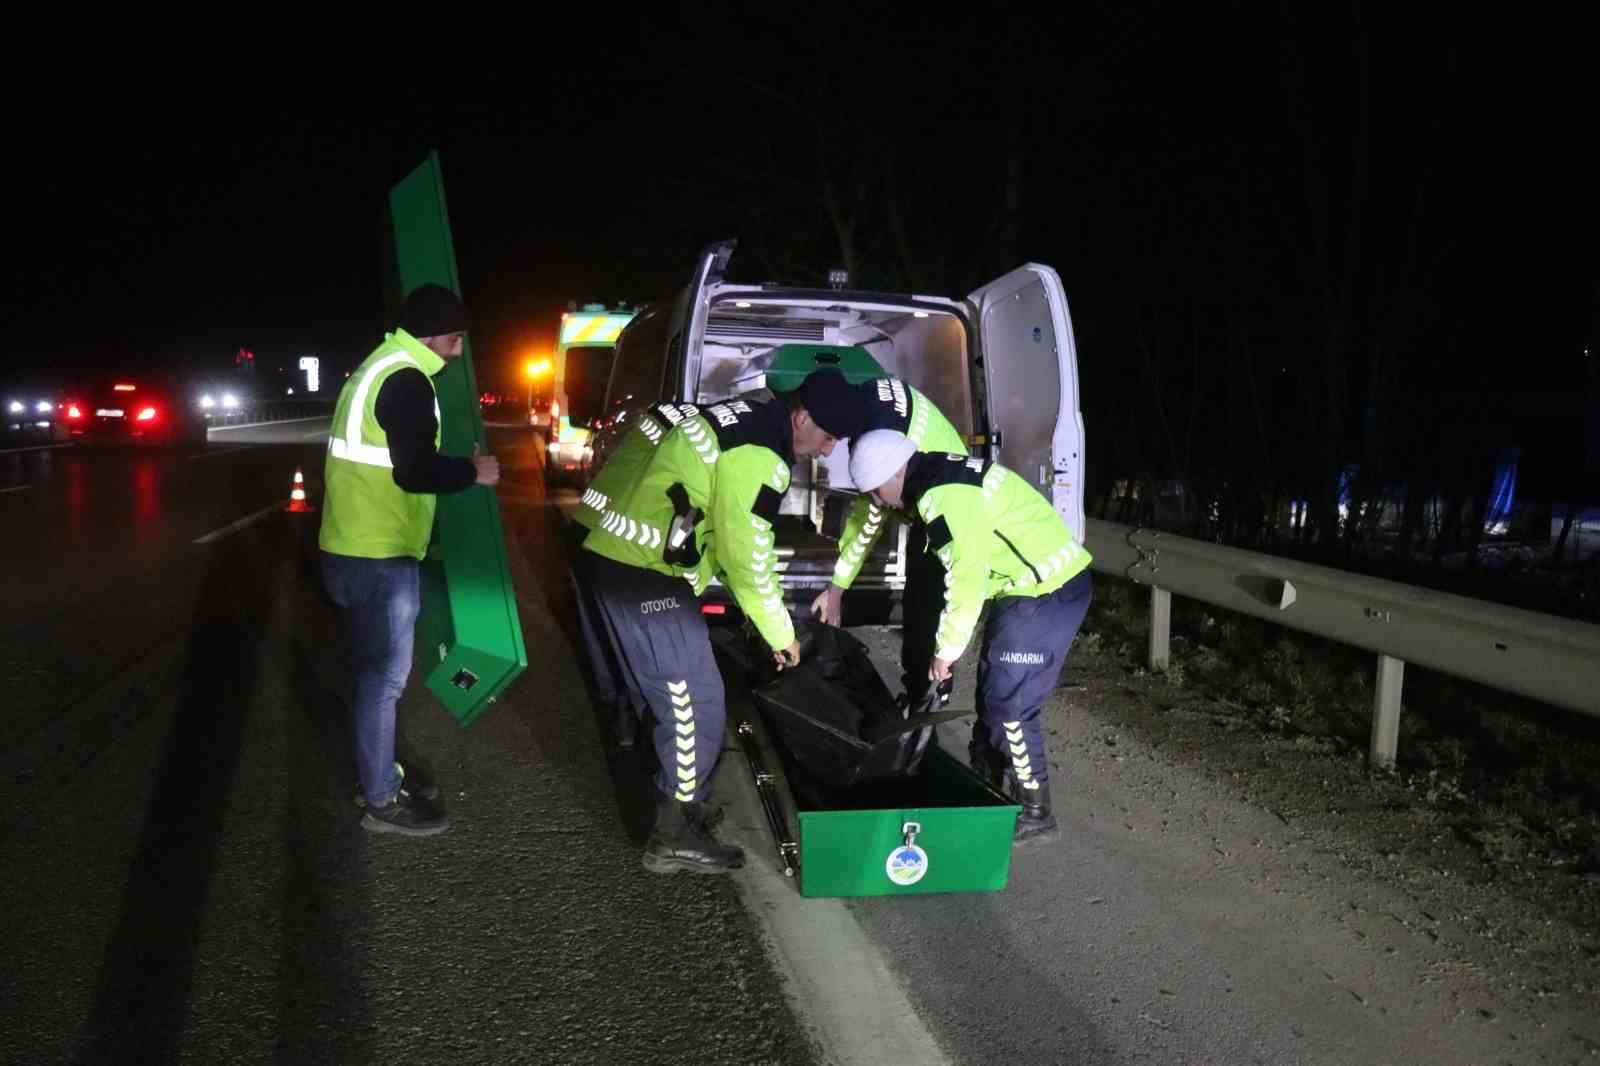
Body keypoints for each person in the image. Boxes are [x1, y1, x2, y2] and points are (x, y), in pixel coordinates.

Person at [573, 377, 852, 873]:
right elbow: (745, 553)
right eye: (828, 437)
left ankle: (677, 803)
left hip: (609, 553)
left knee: (656, 696)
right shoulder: (762, 454)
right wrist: (780, 633)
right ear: (801, 416)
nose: (829, 451)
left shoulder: (736, 416)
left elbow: (717, 527)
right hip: (643, 575)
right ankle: (673, 835)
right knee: (695, 703)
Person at [845, 429, 1093, 844]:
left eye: (874, 491)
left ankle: (1036, 809)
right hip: (1022, 588)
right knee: (991, 695)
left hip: (1047, 589)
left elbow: (967, 577)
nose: (876, 502)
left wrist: (946, 651)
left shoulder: (940, 495)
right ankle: (989, 786)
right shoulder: (938, 474)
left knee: (1009, 704)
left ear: (891, 475)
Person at [319, 283, 501, 836]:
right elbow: (414, 471)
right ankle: (380, 800)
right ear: (441, 337)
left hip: (346, 547)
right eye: (458, 340)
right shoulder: (408, 381)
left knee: (371, 672)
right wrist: (474, 473)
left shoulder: (378, 364)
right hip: (380, 556)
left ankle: (380, 774)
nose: (461, 352)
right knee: (385, 680)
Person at [795, 369, 969, 707]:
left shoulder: (881, 434)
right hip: (932, 498)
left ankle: (929, 700)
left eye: (833, 438)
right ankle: (920, 691)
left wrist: (837, 588)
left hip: (949, 507)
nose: (829, 451)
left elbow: (870, 515)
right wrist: (837, 588)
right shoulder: (868, 398)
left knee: (928, 608)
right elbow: (871, 509)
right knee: (921, 600)